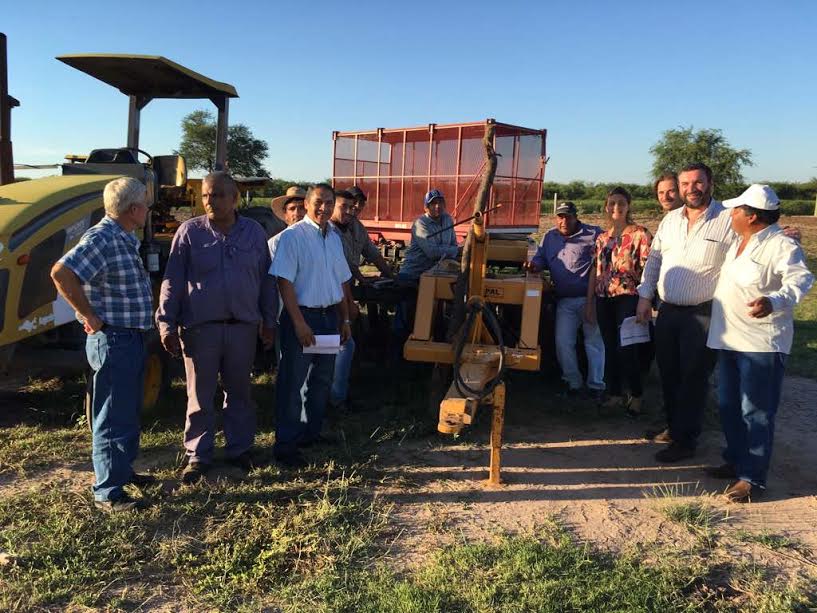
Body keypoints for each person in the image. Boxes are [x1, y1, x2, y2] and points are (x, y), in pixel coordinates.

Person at [156, 171, 277, 484]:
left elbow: (266, 280)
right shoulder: (189, 232)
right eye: (207, 195)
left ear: (235, 198)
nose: (211, 201)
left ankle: (240, 449)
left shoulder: (253, 233)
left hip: (243, 328)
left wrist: (269, 320)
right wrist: (166, 322)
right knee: (200, 394)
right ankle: (199, 455)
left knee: (240, 391)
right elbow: (173, 280)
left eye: (220, 195)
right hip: (200, 329)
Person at [51, 177, 154, 512]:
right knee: (111, 414)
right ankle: (108, 491)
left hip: (129, 337)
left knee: (124, 410)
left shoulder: (122, 237)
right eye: (147, 205)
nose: (149, 210)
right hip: (114, 339)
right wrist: (89, 315)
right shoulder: (103, 237)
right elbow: (62, 273)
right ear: (135, 209)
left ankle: (121, 472)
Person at [704, 185, 813, 502]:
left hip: (761, 343)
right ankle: (736, 460)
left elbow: (801, 279)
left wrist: (775, 300)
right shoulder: (740, 241)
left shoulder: (781, 245)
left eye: (736, 210)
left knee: (756, 412)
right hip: (729, 339)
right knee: (728, 406)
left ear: (752, 216)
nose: (731, 214)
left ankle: (753, 478)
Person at [269, 183, 353, 467]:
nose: (324, 208)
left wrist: (345, 318)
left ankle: (310, 433)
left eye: (329, 203)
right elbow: (284, 282)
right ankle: (286, 446)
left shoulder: (333, 238)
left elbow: (341, 280)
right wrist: (299, 323)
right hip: (303, 318)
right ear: (306, 204)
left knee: (321, 380)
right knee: (292, 384)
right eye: (318, 202)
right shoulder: (293, 237)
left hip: (329, 318)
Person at [527, 201, 605, 397]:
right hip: (565, 301)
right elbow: (540, 258)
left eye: (568, 216)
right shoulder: (549, 237)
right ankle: (574, 383)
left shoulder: (593, 234)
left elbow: (605, 256)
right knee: (563, 342)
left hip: (590, 299)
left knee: (594, 342)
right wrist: (533, 266)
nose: (564, 221)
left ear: (575, 217)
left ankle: (596, 385)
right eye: (560, 217)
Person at [585, 187, 652, 413]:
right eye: (612, 203)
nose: (616, 207)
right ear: (606, 206)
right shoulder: (602, 238)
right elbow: (596, 271)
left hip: (628, 297)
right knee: (609, 346)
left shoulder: (640, 234)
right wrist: (590, 302)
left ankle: (636, 394)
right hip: (604, 297)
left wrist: (647, 299)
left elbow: (649, 269)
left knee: (627, 347)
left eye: (621, 203)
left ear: (628, 206)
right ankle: (614, 393)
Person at [328, 189, 393, 409]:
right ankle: (335, 394)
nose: (354, 210)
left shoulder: (357, 227)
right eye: (348, 205)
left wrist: (392, 275)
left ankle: (345, 383)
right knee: (340, 337)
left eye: (358, 206)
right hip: (334, 289)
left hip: (348, 286)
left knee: (349, 334)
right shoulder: (329, 230)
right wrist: (361, 278)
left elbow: (372, 253)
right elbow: (344, 264)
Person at [397, 189, 459, 282]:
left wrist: (451, 250)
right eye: (433, 203)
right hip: (413, 275)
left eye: (440, 202)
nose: (438, 206)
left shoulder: (448, 219)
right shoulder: (420, 224)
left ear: (444, 205)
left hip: (434, 274)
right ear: (426, 207)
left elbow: (454, 244)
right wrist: (453, 251)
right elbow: (432, 253)